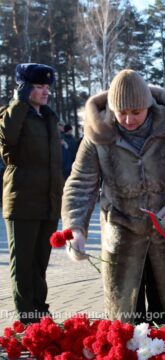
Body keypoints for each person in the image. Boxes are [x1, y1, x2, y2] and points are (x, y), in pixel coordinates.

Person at [61, 69, 165, 324]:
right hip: (122, 238)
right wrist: (76, 229)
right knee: (128, 322)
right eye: (122, 113)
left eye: (136, 112)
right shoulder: (98, 134)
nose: (129, 119)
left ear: (149, 107)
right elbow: (80, 184)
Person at [0, 63, 63, 324]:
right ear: (24, 88)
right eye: (38, 86)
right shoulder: (11, 115)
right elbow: (7, 139)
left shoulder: (48, 117)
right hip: (22, 200)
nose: (45, 91)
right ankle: (27, 319)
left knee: (40, 262)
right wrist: (19, 102)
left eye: (47, 86)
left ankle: (40, 312)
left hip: (48, 202)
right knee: (23, 264)